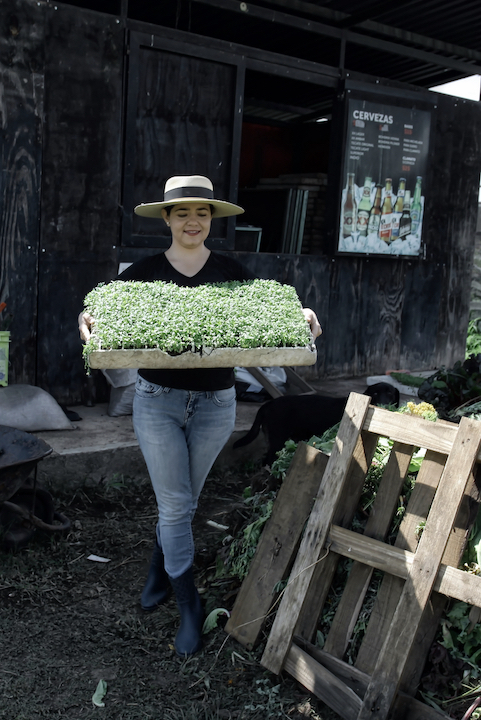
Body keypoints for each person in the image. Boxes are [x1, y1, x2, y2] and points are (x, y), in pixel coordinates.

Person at [78, 175, 322, 656]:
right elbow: (96, 312)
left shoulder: (233, 275)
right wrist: (84, 318)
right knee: (175, 504)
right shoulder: (142, 274)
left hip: (216, 405)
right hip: (157, 401)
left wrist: (305, 317)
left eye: (203, 213)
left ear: (212, 220)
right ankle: (189, 605)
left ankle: (157, 569)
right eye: (183, 212)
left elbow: (280, 317)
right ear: (166, 218)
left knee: (184, 502)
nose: (194, 221)